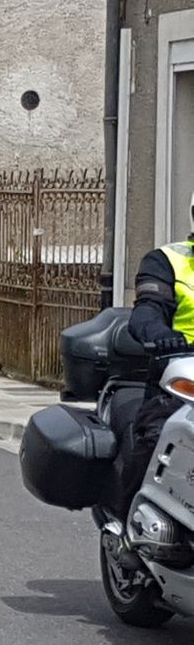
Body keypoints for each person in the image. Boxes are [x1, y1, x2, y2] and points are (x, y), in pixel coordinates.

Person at [115, 194, 194, 518]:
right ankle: (129, 522)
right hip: (182, 377)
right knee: (158, 435)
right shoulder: (167, 261)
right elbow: (147, 311)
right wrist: (162, 337)